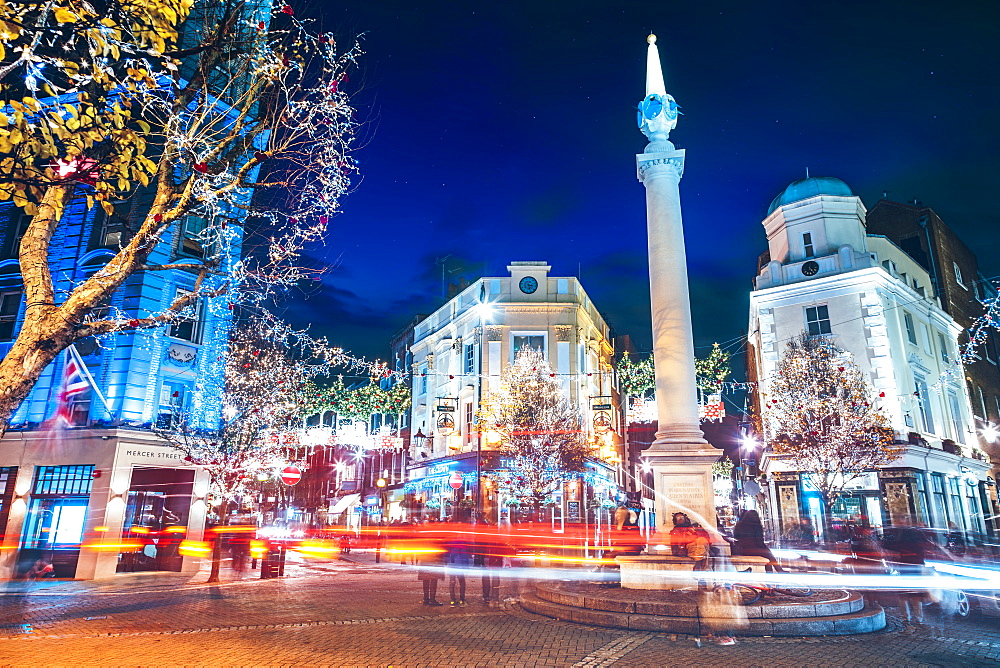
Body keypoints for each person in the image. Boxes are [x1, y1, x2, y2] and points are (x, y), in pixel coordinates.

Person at [444, 534, 472, 606]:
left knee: (452, 582)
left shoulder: (450, 543)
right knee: (462, 582)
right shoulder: (462, 543)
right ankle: (462, 599)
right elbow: (464, 556)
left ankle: (452, 600)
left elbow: (446, 553)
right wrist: (466, 566)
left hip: (452, 565)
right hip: (460, 565)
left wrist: (447, 562)